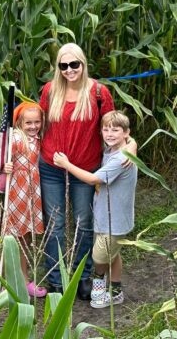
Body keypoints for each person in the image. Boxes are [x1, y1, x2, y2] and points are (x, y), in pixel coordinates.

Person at [37, 43, 114, 300]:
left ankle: (83, 277)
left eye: (74, 64)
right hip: (51, 168)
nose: (69, 70)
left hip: (85, 168)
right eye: (63, 65)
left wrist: (131, 148)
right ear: (58, 67)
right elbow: (35, 124)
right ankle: (57, 280)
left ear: (83, 63)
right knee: (55, 225)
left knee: (84, 224)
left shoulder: (99, 93)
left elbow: (113, 129)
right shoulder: (50, 91)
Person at [53, 110, 137, 309]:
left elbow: (92, 179)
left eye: (115, 130)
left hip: (114, 219)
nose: (109, 134)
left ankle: (99, 282)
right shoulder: (112, 150)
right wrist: (132, 143)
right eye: (105, 129)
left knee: (100, 257)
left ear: (125, 132)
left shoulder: (120, 158)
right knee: (112, 253)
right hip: (104, 214)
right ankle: (116, 290)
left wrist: (66, 164)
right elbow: (129, 140)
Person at [1, 102, 47, 298]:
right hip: (16, 189)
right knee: (12, 235)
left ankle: (24, 279)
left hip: (31, 189)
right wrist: (5, 166)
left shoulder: (37, 138)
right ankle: (7, 282)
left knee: (25, 236)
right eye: (28, 122)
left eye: (37, 122)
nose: (33, 126)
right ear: (19, 122)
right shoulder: (16, 137)